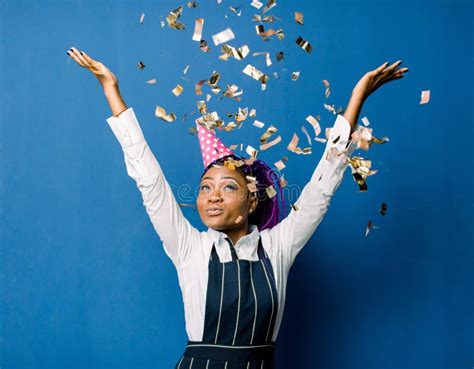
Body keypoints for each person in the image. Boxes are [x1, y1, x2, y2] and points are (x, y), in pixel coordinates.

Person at [67, 46, 408, 369]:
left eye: (228, 187)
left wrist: (355, 100)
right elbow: (150, 181)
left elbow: (321, 190)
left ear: (252, 200)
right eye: (205, 188)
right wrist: (111, 91)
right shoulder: (189, 248)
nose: (212, 197)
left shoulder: (278, 247)